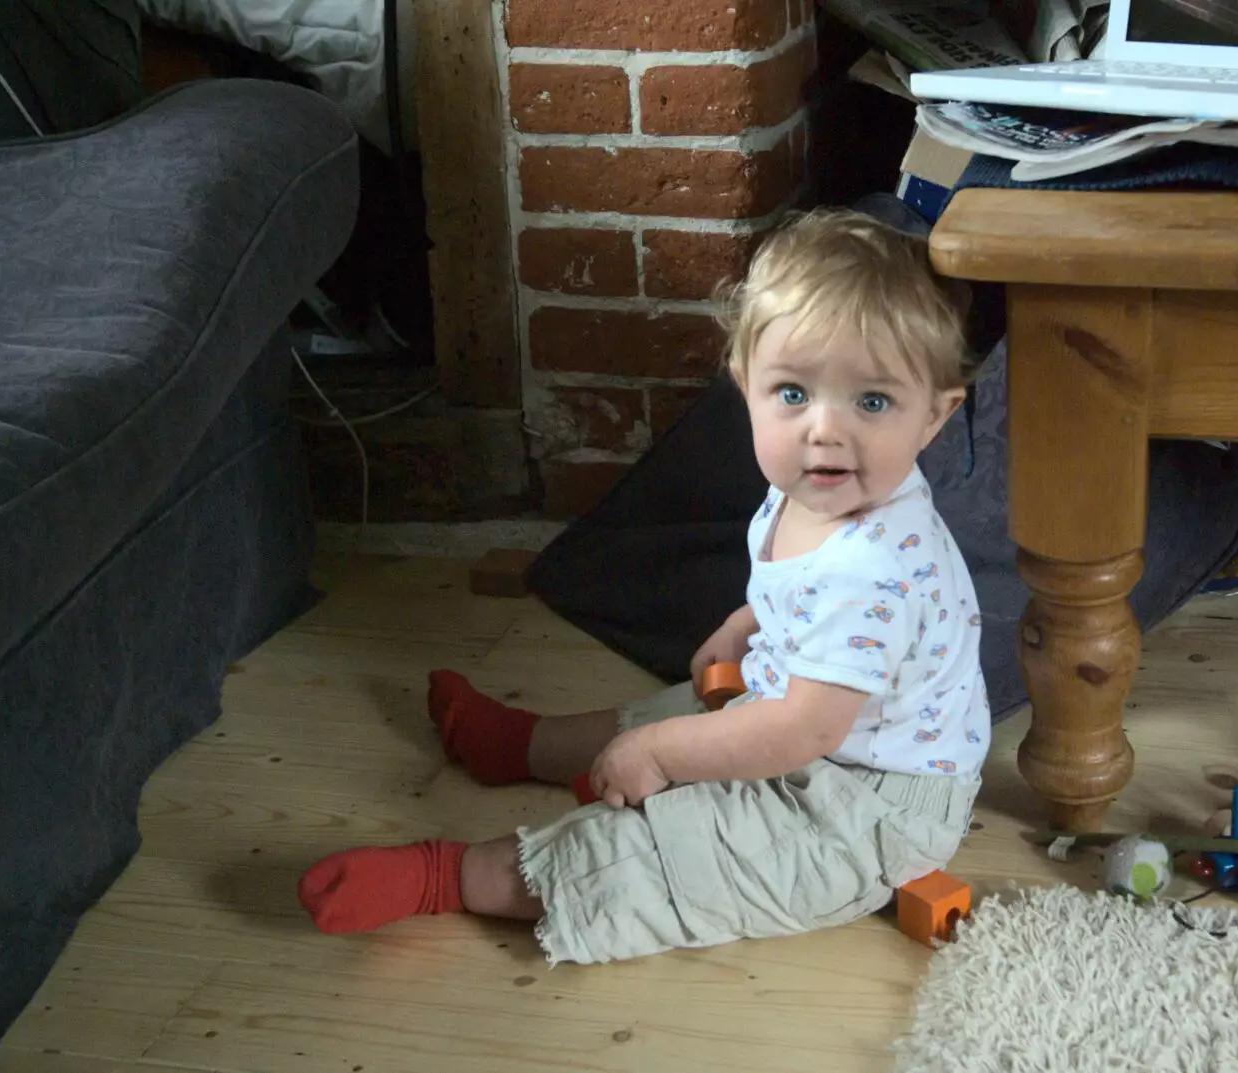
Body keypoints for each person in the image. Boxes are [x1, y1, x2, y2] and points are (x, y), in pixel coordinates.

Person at [295, 207, 992, 964]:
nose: (825, 430)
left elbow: (802, 731)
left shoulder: (875, 568)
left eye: (873, 401)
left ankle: (454, 875)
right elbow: (798, 605)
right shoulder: (819, 484)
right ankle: (526, 746)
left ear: (935, 415)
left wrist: (661, 755)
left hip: (864, 804)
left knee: (674, 853)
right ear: (746, 385)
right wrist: (746, 622)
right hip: (805, 714)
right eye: (793, 393)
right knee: (668, 712)